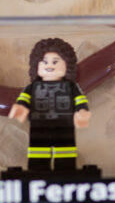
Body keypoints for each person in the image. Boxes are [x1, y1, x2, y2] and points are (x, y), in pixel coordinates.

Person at [8, 38, 91, 173]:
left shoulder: (71, 87)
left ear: (67, 65)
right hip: (39, 124)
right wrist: (20, 108)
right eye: (44, 62)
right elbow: (24, 99)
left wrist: (82, 111)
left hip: (64, 124)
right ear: (36, 65)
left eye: (55, 62)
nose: (50, 66)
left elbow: (80, 100)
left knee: (65, 149)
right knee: (38, 150)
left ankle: (66, 170)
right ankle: (38, 171)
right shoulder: (32, 87)